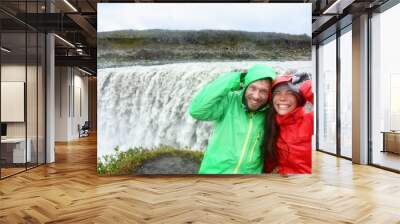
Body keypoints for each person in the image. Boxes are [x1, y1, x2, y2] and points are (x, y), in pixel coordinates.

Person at [189, 64, 277, 174]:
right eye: (253, 88)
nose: (256, 96)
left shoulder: (271, 114)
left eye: (263, 91)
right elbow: (197, 111)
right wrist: (237, 78)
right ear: (245, 86)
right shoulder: (229, 101)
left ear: (269, 93)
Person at [263, 72, 314, 174]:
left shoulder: (310, 120)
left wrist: (305, 85)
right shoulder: (272, 126)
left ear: (298, 98)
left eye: (290, 93)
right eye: (277, 93)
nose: (282, 98)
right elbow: (268, 165)